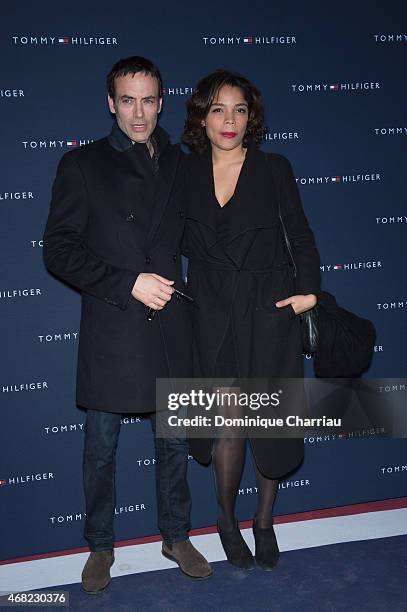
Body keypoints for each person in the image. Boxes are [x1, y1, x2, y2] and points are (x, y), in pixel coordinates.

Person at [43, 56, 212, 593]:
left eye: (148, 100)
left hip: (171, 326)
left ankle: (176, 535)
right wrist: (127, 282)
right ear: (110, 103)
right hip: (114, 323)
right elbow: (59, 250)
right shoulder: (82, 164)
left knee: (175, 444)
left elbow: (203, 242)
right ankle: (99, 544)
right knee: (100, 448)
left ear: (161, 102)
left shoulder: (186, 164)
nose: (139, 113)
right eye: (127, 100)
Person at [181, 70, 320, 570]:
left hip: (268, 306)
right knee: (229, 423)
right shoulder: (185, 172)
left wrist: (308, 292)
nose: (229, 120)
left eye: (239, 109)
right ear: (202, 115)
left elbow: (300, 236)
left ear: (251, 117)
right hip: (211, 309)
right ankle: (225, 518)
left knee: (271, 420)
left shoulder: (274, 168)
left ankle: (264, 519)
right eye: (218, 109)